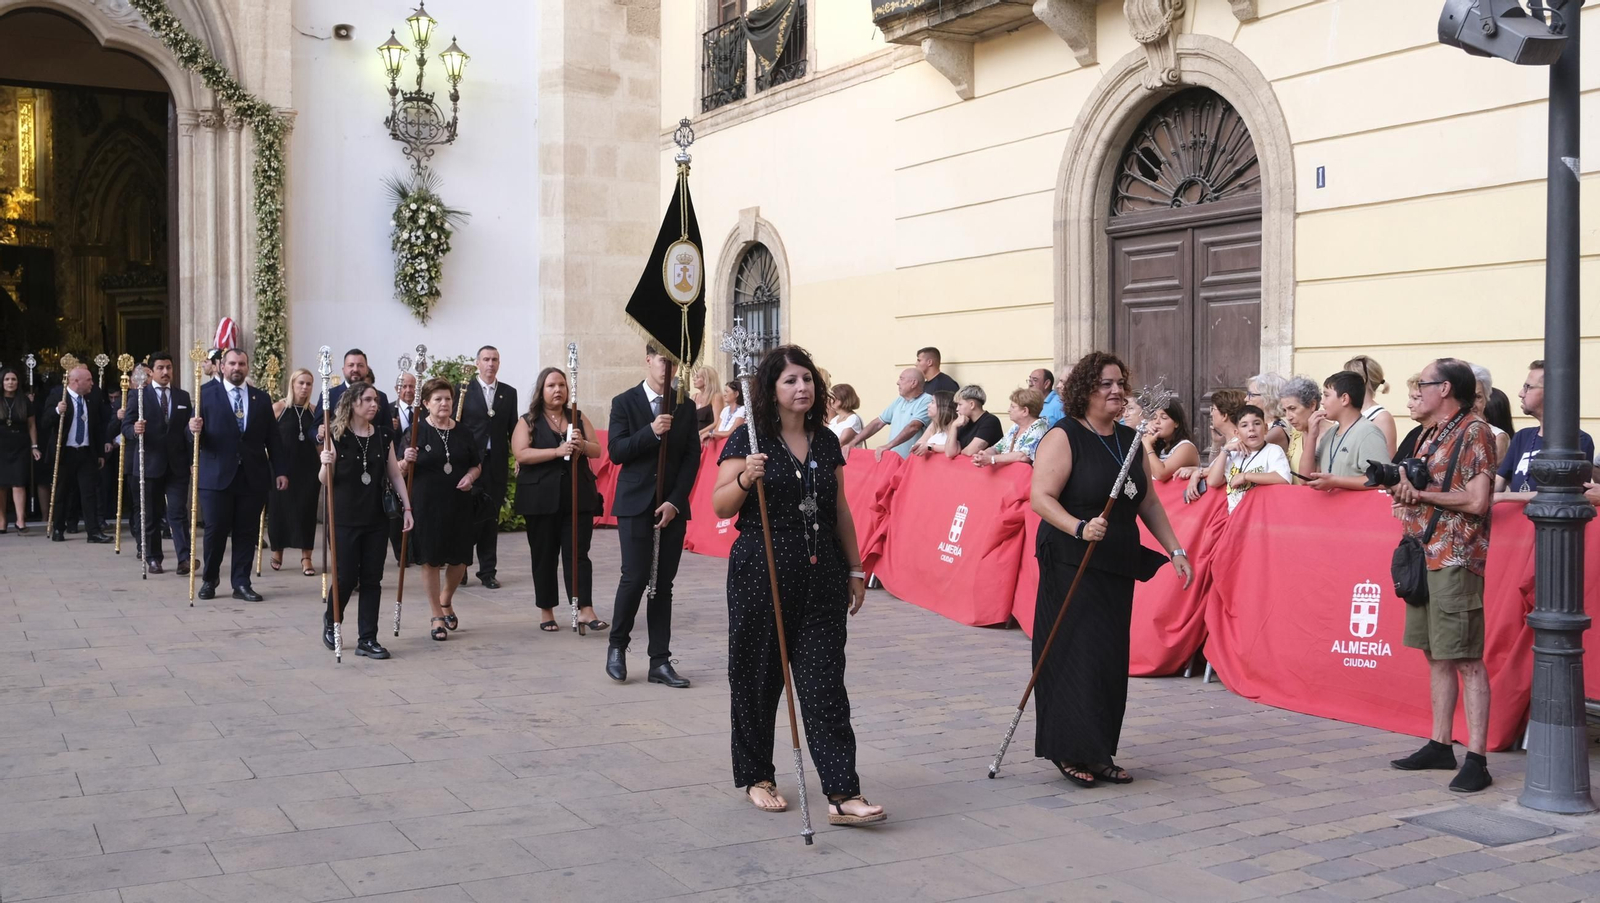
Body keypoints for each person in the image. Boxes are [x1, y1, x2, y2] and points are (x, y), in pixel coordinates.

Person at [712, 344, 886, 825]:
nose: (801, 387)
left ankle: (842, 792)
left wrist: (855, 569)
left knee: (826, 685)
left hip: (821, 574)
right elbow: (721, 506)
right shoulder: (748, 438)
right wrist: (747, 477)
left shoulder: (827, 440)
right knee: (757, 677)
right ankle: (757, 775)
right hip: (761, 571)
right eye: (790, 380)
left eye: (807, 379)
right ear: (770, 388)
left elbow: (841, 510)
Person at [1030, 351, 1193, 787]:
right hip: (1071, 558)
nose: (1116, 390)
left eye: (1120, 382)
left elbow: (1148, 502)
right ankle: (1068, 749)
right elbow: (1041, 498)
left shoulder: (1129, 439)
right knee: (1073, 653)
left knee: (1107, 657)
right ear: (1085, 390)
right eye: (1106, 383)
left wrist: (1176, 549)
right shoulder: (1063, 436)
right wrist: (1079, 527)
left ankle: (1100, 749)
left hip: (1115, 560)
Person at [1388, 358, 1496, 794]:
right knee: (1435, 653)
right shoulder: (1429, 435)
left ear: (1445, 388)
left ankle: (1478, 758)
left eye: (1422, 384)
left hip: (1455, 556)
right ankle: (1439, 743)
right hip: (1422, 553)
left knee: (1466, 658)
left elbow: (1477, 502)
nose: (1416, 390)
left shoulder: (1475, 431)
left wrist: (1423, 494)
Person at [606, 344, 701, 688]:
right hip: (634, 504)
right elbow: (616, 452)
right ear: (648, 359)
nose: (668, 367)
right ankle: (618, 645)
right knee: (634, 578)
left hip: (670, 507)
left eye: (674, 361)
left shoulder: (685, 405)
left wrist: (676, 501)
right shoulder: (624, 402)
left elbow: (692, 458)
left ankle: (659, 661)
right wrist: (650, 431)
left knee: (662, 585)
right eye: (662, 360)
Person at [318, 381, 412, 659]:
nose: (374, 405)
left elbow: (395, 474)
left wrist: (407, 508)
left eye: (376, 401)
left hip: (376, 517)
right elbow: (324, 481)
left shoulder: (383, 436)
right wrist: (326, 462)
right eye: (368, 400)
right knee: (346, 576)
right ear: (353, 403)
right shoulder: (336, 435)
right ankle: (331, 619)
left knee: (373, 578)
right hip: (344, 517)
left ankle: (367, 638)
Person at [512, 366, 609, 632]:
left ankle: (585, 609)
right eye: (552, 386)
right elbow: (521, 454)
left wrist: (581, 446)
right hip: (540, 498)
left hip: (577, 496)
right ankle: (546, 610)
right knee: (544, 555)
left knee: (578, 553)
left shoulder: (577, 416)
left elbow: (597, 448)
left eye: (562, 386)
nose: (558, 390)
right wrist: (556, 451)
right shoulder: (528, 420)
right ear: (541, 390)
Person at [189, 348, 289, 600]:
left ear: (247, 367)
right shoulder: (205, 394)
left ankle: (241, 582)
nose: (237, 368)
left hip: (252, 476)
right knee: (215, 530)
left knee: (246, 532)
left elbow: (273, 439)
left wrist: (280, 470)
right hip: (216, 476)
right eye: (232, 363)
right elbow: (192, 436)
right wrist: (191, 430)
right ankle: (210, 580)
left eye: (242, 363)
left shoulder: (261, 398)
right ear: (222, 366)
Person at [405, 378, 483, 641]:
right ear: (426, 403)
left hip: (458, 503)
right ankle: (436, 614)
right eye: (437, 399)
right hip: (427, 504)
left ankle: (446, 598)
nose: (444, 403)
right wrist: (406, 460)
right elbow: (399, 468)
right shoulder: (416, 430)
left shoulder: (463, 431)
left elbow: (476, 464)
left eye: (447, 398)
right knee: (431, 558)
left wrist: (471, 478)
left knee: (460, 558)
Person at [121, 353, 195, 573]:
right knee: (150, 512)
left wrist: (192, 450)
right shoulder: (139, 396)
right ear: (151, 371)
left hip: (177, 464)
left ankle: (185, 558)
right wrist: (134, 430)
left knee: (178, 511)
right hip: (149, 463)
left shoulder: (182, 397)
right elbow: (125, 427)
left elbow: (185, 431)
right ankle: (153, 557)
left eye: (169, 367)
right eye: (161, 368)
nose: (165, 372)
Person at [1495, 360, 1596, 504]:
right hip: (1517, 523)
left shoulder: (1580, 440)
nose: (1521, 393)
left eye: (1528, 387)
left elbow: (1565, 494)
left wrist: (1504, 497)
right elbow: (1499, 481)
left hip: (1552, 523)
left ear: (1551, 393)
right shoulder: (1522, 436)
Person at [459, 345, 517, 589]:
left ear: (499, 363)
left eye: (494, 359)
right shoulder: (464, 390)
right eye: (486, 359)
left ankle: (487, 572)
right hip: (470, 464)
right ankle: (459, 568)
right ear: (477, 363)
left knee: (490, 518)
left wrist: (520, 458)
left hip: (496, 464)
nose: (490, 364)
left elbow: (514, 428)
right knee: (464, 518)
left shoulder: (508, 392)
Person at [41, 366, 111, 543]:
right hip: (65, 452)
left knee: (89, 493)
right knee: (62, 492)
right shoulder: (59, 396)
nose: (92, 384)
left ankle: (93, 532)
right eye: (88, 380)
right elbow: (45, 421)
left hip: (86, 452)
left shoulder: (91, 398)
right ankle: (58, 528)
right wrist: (57, 411)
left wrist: (100, 453)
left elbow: (97, 427)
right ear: (75, 381)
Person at [267, 367, 320, 576]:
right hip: (282, 468)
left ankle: (306, 557)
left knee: (307, 511)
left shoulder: (314, 411)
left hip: (308, 469)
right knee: (279, 510)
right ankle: (277, 550)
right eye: (301, 383)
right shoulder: (279, 408)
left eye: (308, 384)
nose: (305, 388)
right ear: (292, 384)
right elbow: (267, 436)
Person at [1304, 371, 1390, 492]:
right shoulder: (1330, 433)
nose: (1322, 402)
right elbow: (1306, 477)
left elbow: (1382, 480)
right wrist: (1311, 437)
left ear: (1344, 399)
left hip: (1355, 509)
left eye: (1326, 395)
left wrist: (1336, 481)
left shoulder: (1368, 433)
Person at [1203, 405, 1291, 513]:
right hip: (1235, 517)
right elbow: (1212, 481)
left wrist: (1246, 476)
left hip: (1260, 516)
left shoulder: (1272, 450)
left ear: (1266, 428)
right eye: (1244, 425)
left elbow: (1283, 478)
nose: (1251, 429)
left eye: (1257, 423)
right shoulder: (1234, 455)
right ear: (1237, 433)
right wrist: (1225, 450)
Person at [841, 369, 930, 460]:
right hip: (894, 460)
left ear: (913, 383)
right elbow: (878, 423)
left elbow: (913, 427)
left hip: (913, 461)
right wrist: (853, 442)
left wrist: (888, 446)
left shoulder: (927, 400)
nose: (897, 382)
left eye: (901, 379)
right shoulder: (900, 400)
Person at [1179, 388, 1247, 497]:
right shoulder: (1230, 441)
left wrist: (1199, 472)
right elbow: (1215, 465)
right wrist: (1216, 443)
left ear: (1224, 415)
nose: (1210, 413)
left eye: (1213, 409)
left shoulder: (1238, 445)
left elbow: (1223, 473)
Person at [0, 367, 40, 533]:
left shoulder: (25, 401)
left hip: (20, 446)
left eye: (14, 379)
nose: (10, 382)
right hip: (1, 446)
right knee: (1, 486)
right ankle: (1, 521)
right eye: (7, 379)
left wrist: (34, 446)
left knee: (18, 483)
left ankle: (20, 519)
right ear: (2, 382)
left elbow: (31, 425)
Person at [316, 348, 393, 428]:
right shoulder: (329, 395)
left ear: (367, 369)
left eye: (360, 365)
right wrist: (319, 434)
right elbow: (313, 429)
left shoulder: (381, 397)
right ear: (343, 370)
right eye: (351, 365)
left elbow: (388, 430)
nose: (355, 369)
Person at [974, 388, 1047, 469]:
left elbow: (1023, 456)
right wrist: (983, 455)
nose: (1008, 410)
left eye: (1013, 407)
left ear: (1025, 411)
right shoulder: (1016, 426)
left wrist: (992, 459)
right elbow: (998, 447)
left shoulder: (1040, 427)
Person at [1346, 354, 1399, 459]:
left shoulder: (1381, 418)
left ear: (1361, 380)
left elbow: (1388, 461)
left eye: (1346, 377)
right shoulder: (1344, 411)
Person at [1277, 376, 1321, 485]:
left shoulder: (1333, 434)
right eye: (1285, 410)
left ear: (1312, 405)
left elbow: (1308, 478)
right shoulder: (1296, 433)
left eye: (1292, 408)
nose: (1288, 417)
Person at [1140, 401, 1198, 481]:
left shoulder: (1186, 447)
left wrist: (1147, 446)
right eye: (1154, 418)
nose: (1157, 422)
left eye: (1164, 418)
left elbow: (1161, 474)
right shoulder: (1157, 445)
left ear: (1176, 423)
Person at [944, 385, 1004, 458]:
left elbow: (970, 451)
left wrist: (959, 452)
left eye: (960, 404)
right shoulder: (963, 422)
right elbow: (949, 453)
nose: (957, 409)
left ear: (972, 404)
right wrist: (953, 426)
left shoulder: (990, 421)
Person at [1469, 363, 1511, 464]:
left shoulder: (1497, 437)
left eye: (1478, 397)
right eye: (1467, 396)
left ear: (1486, 400)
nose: (1472, 404)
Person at [1245, 372, 1291, 452]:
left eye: (1251, 395)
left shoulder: (1277, 430)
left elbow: (1246, 452)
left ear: (1268, 398)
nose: (1246, 399)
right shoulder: (1262, 425)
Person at [909, 391, 956, 456]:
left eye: (933, 402)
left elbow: (953, 449)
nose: (928, 405)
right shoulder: (934, 424)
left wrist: (930, 447)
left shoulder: (953, 425)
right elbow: (920, 443)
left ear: (943, 406)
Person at [691, 364, 725, 439]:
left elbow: (717, 422)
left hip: (707, 438)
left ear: (707, 379)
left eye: (697, 377)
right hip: (693, 437)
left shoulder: (716, 397)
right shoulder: (694, 397)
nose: (694, 379)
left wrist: (700, 433)